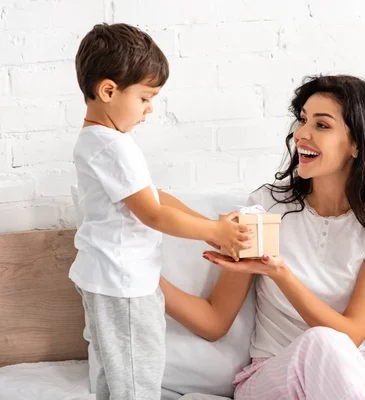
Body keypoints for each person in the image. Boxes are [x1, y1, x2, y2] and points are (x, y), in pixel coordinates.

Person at [160, 75, 365, 399]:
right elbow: (214, 321)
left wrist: (279, 272)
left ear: (357, 144)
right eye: (302, 120)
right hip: (275, 377)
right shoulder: (267, 207)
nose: (302, 134)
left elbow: (352, 334)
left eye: (321, 125)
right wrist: (143, 279)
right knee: (323, 343)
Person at [71, 23, 252, 400]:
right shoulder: (114, 147)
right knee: (137, 377)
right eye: (145, 97)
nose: (151, 108)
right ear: (108, 91)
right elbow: (153, 215)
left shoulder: (98, 141)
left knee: (113, 371)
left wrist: (208, 226)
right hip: (125, 285)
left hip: (107, 278)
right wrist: (216, 234)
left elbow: (156, 198)